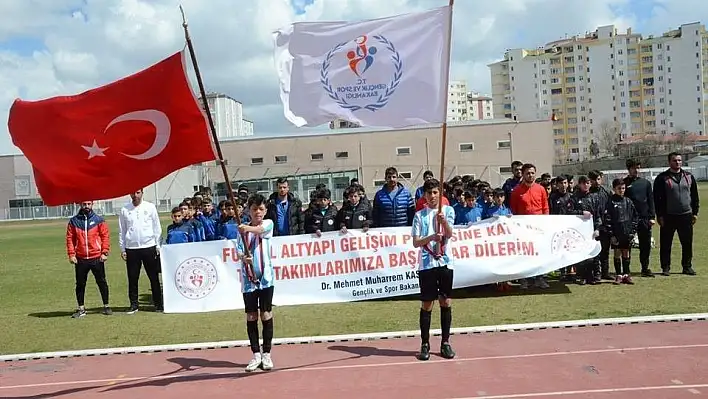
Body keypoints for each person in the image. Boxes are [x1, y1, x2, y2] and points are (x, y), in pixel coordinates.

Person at [411, 178, 456, 361]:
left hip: (445, 263)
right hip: (427, 264)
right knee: (427, 303)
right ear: (424, 196)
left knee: (445, 301)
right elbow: (416, 242)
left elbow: (450, 233)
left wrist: (443, 222)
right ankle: (425, 343)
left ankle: (445, 342)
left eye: (435, 192)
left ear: (440, 193)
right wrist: (430, 237)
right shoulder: (419, 216)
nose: (432, 196)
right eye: (429, 193)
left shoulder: (448, 211)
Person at [237, 194, 276, 372]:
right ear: (249, 211)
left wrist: (245, 227)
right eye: (254, 209)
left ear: (265, 210)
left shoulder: (267, 224)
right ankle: (256, 354)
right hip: (248, 280)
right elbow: (238, 251)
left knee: (265, 313)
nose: (258, 212)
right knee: (251, 315)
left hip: (266, 278)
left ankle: (267, 353)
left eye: (261, 209)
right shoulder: (242, 232)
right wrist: (243, 257)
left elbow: (260, 230)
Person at [118, 188, 163, 314]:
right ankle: (134, 305)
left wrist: (157, 245)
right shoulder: (125, 210)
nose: (135, 195)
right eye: (132, 193)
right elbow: (122, 230)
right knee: (132, 278)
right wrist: (123, 248)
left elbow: (156, 227)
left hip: (149, 246)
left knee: (153, 277)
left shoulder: (150, 207)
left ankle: (158, 304)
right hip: (132, 249)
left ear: (142, 193)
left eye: (137, 192)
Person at [653, 152, 699, 276]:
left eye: (679, 160)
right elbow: (657, 199)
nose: (677, 162)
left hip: (686, 215)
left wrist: (695, 213)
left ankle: (687, 266)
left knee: (687, 243)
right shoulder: (662, 178)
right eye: (674, 160)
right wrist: (660, 215)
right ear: (669, 162)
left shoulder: (688, 176)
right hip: (668, 216)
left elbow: (694, 196)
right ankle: (666, 267)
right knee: (666, 243)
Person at [65, 200, 112, 318]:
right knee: (80, 284)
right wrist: (71, 254)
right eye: (84, 204)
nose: (86, 206)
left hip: (96, 257)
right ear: (80, 205)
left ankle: (106, 306)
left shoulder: (99, 220)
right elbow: (70, 239)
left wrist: (104, 252)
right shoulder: (74, 221)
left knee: (102, 282)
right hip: (80, 258)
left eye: (88, 204)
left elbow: (105, 236)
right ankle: (81, 309)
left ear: (92, 204)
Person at [509, 163, 550, 289]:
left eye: (532, 173)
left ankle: (540, 278)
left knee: (540, 253)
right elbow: (513, 210)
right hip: (523, 229)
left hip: (539, 228)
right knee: (524, 254)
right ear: (523, 174)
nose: (530, 175)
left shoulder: (541, 189)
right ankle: (525, 279)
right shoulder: (516, 191)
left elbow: (545, 207)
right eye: (528, 173)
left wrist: (545, 223)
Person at [623, 159, 656, 277]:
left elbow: (651, 200)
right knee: (627, 244)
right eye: (633, 168)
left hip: (644, 218)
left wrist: (652, 216)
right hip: (628, 219)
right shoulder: (624, 183)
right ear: (629, 169)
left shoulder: (646, 183)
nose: (636, 170)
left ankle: (645, 268)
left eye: (638, 167)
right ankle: (626, 270)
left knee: (645, 244)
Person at [603, 178, 639, 285]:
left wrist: (632, 231)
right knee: (617, 253)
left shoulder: (628, 201)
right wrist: (612, 234)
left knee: (626, 253)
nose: (622, 190)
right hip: (616, 233)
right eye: (619, 188)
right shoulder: (610, 202)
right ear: (614, 189)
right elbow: (607, 219)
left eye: (623, 188)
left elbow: (635, 217)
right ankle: (618, 275)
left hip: (627, 232)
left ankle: (626, 274)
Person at [588, 170, 612, 280]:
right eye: (594, 180)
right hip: (592, 226)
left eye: (598, 179)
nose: (597, 182)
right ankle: (596, 273)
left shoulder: (606, 192)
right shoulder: (588, 193)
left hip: (605, 225)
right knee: (595, 251)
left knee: (605, 250)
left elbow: (611, 208)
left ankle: (605, 272)